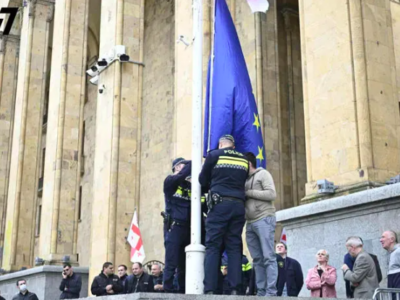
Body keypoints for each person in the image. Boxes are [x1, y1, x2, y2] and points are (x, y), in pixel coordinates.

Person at [199, 134, 248, 295]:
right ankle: (235, 288)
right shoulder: (243, 159)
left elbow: (202, 179)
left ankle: (211, 289)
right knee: (234, 247)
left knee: (213, 246)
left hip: (219, 205)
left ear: (221, 144)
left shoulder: (214, 155)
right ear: (233, 146)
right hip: (239, 205)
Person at [244, 152, 277, 296]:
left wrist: (249, 192)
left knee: (268, 257)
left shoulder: (263, 174)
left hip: (264, 218)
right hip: (250, 223)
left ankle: (271, 292)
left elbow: (271, 194)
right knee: (257, 259)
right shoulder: (244, 180)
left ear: (248, 163)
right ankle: (261, 291)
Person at [163, 157, 191, 293]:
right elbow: (184, 173)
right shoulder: (170, 182)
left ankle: (182, 290)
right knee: (171, 261)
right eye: (181, 166)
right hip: (174, 227)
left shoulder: (189, 185)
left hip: (187, 228)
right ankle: (167, 289)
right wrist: (191, 163)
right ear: (175, 168)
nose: (184, 168)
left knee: (183, 264)